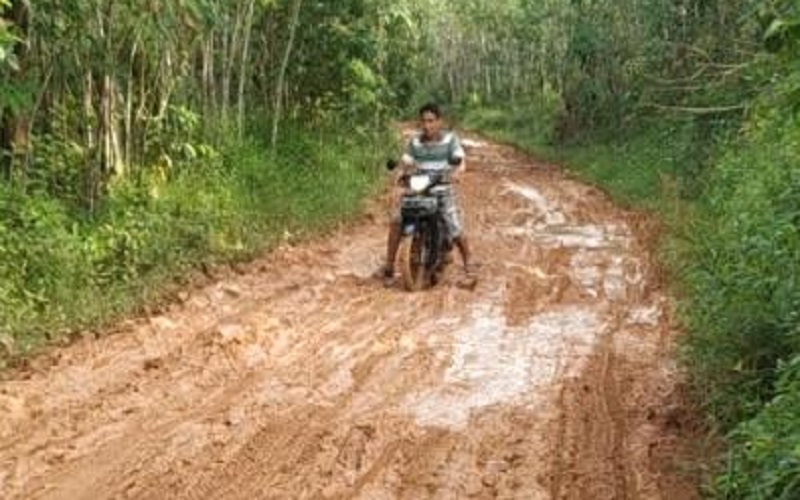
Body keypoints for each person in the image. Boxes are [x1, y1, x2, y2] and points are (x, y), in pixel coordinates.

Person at [381, 102, 475, 286]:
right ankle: (389, 267)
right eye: (424, 121)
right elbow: (406, 162)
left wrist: (456, 172)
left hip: (442, 188)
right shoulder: (415, 142)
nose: (427, 125)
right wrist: (400, 172)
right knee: (397, 220)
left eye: (431, 121)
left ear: (439, 121)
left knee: (452, 224)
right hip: (419, 189)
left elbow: (460, 161)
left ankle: (469, 265)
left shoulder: (450, 140)